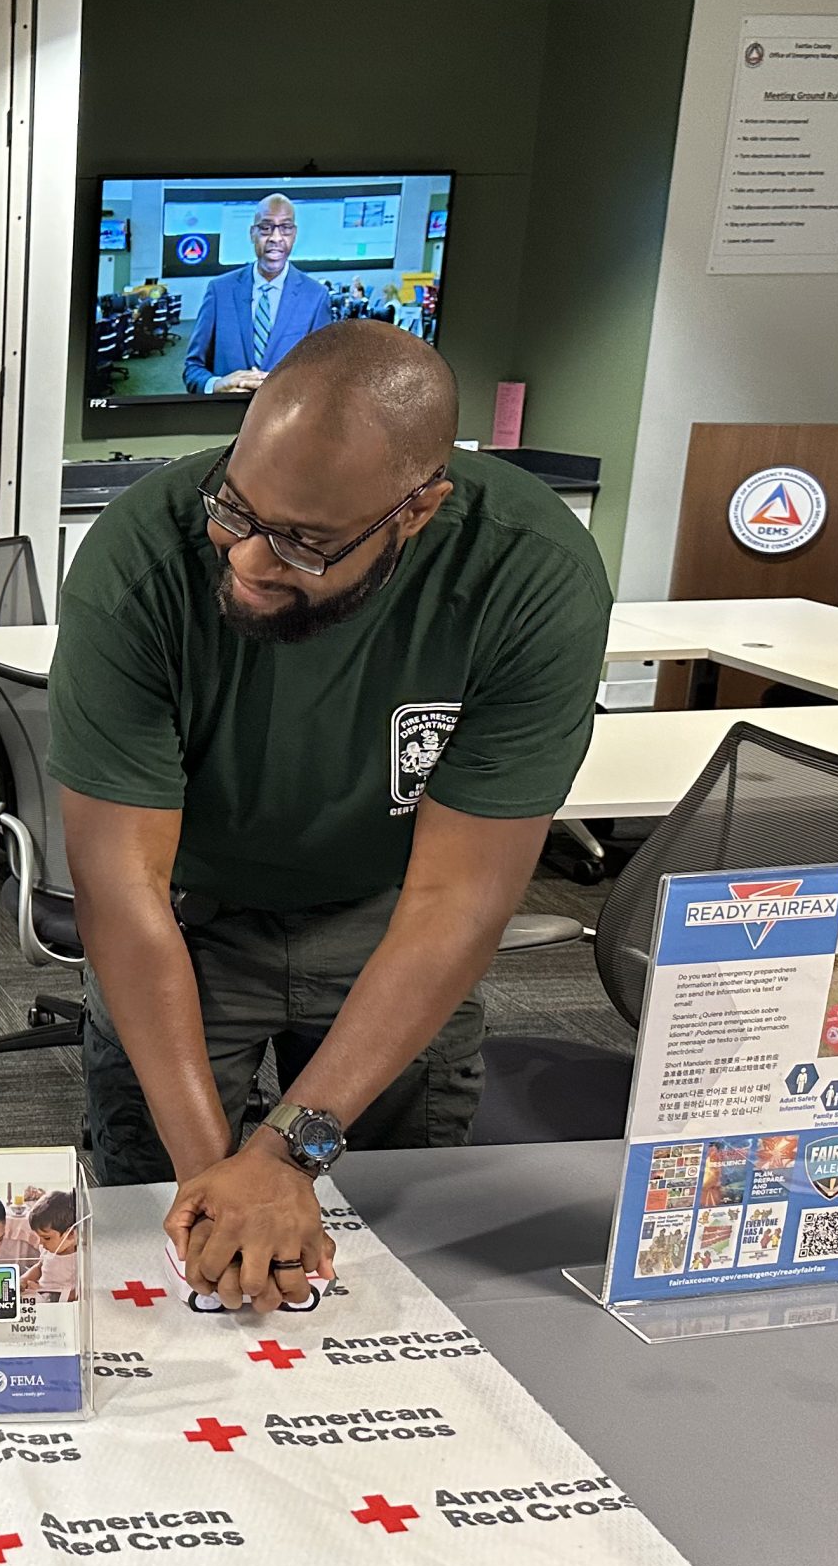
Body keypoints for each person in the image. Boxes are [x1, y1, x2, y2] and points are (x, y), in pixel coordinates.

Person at [51, 322, 609, 1313]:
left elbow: (457, 900)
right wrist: (217, 1177)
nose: (252, 559)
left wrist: (293, 1146)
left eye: (306, 541)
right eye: (237, 509)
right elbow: (119, 889)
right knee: (159, 1233)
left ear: (418, 509)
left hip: (388, 918)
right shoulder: (139, 557)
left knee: (396, 1246)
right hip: (187, 917)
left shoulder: (530, 576)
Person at [183, 195, 332, 397]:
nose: (276, 238)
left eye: (285, 227)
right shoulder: (219, 291)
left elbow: (323, 374)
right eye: (266, 227)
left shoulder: (316, 297)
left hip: (287, 422)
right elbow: (193, 369)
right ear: (252, 233)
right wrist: (217, 384)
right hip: (225, 420)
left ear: (294, 234)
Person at [28, 1192, 81, 1300]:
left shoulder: (79, 1257)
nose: (40, 1243)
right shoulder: (48, 1249)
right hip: (41, 1295)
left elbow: (79, 1292)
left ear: (71, 1234)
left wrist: (46, 1295)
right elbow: (39, 1267)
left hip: (62, 1302)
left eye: (46, 1238)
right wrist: (23, 1280)